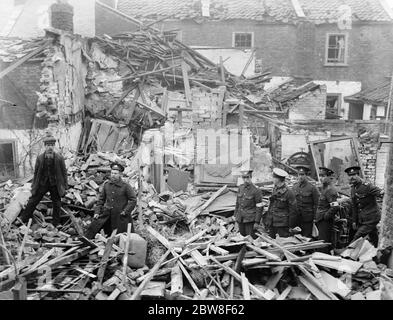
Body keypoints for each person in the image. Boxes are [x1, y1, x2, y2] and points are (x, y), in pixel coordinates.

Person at [19, 135, 68, 227]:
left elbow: (64, 172)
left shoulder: (59, 158)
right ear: (45, 146)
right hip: (42, 184)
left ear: (54, 146)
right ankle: (23, 218)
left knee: (57, 203)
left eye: (52, 145)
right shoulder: (40, 158)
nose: (50, 147)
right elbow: (36, 172)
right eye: (48, 145)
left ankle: (56, 223)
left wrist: (65, 185)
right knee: (33, 200)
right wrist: (34, 185)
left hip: (55, 184)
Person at [86, 163, 137, 239]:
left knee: (121, 237)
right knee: (94, 228)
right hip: (107, 215)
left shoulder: (125, 186)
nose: (113, 175)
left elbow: (133, 200)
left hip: (120, 217)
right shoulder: (107, 185)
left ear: (120, 174)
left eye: (116, 173)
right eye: (112, 173)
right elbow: (101, 200)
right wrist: (97, 212)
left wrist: (125, 211)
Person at [345, 166, 384, 247]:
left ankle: (347, 253)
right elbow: (354, 206)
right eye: (350, 175)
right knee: (374, 237)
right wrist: (354, 221)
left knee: (357, 236)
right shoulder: (353, 188)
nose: (352, 177)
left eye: (354, 175)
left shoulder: (367, 186)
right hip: (364, 219)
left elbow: (381, 193)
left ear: (358, 175)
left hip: (372, 218)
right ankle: (377, 253)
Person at [265, 168, 297, 238]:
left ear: (278, 179)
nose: (272, 179)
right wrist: (268, 220)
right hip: (272, 223)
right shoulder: (275, 189)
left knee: (282, 243)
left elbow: (293, 211)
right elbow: (271, 206)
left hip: (282, 225)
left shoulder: (289, 192)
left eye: (273, 177)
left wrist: (291, 226)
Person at [315, 167, 339, 253]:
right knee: (322, 241)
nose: (321, 178)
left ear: (329, 177)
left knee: (323, 242)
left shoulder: (330, 190)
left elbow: (335, 206)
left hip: (325, 221)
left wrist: (326, 216)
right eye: (320, 176)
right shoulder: (324, 189)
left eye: (323, 176)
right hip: (321, 219)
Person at [234, 170, 264, 238]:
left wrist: (257, 222)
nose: (245, 180)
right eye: (244, 178)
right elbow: (237, 203)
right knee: (241, 237)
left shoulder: (256, 190)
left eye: (247, 178)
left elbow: (259, 207)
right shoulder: (240, 188)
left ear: (251, 178)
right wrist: (235, 215)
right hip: (240, 218)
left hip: (250, 220)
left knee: (250, 238)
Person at [292, 166, 320, 237]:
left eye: (302, 174)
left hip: (308, 218)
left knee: (307, 237)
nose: (300, 177)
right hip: (297, 218)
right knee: (297, 237)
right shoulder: (294, 187)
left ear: (306, 175)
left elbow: (317, 204)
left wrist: (315, 218)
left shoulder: (312, 188)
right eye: (299, 174)